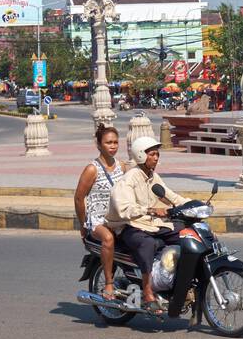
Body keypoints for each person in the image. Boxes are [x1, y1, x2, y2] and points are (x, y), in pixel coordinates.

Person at [104, 136, 189, 315]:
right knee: (147, 243)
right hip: (129, 225)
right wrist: (150, 210)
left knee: (186, 232)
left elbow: (172, 197)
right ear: (141, 156)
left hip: (151, 224)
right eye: (152, 154)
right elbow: (123, 208)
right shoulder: (130, 178)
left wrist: (194, 205)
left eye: (157, 154)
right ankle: (148, 290)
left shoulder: (153, 177)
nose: (156, 158)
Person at [74, 125, 125, 302]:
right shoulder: (92, 169)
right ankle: (109, 282)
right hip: (97, 219)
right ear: (99, 144)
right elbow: (79, 199)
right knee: (108, 239)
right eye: (108, 142)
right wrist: (83, 225)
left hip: (117, 217)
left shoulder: (122, 167)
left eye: (116, 142)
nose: (113, 146)